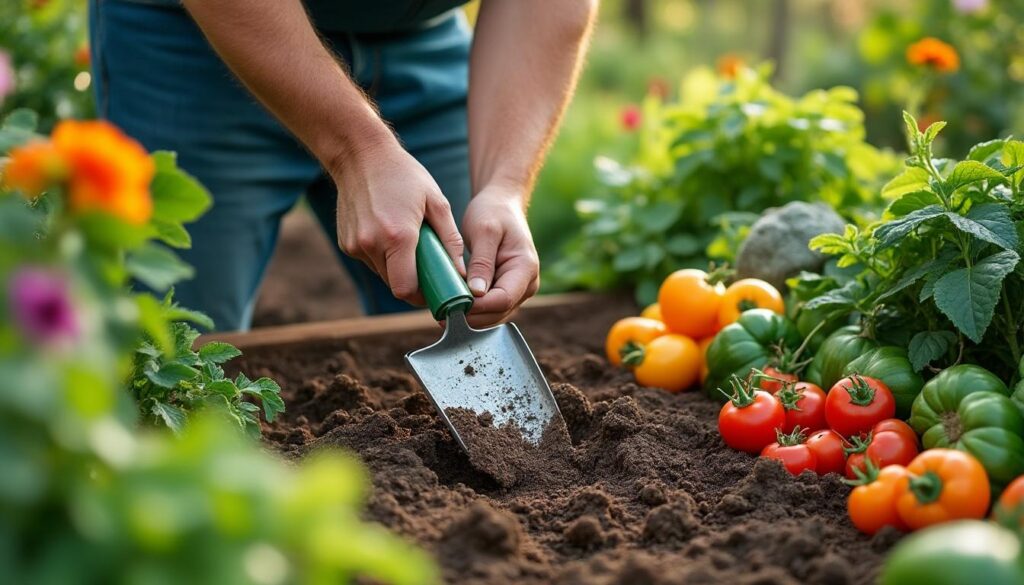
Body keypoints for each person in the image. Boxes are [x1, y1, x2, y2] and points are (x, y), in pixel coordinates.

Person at [88, 0, 597, 331]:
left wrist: (504, 184)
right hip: (200, 36)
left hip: (420, 33)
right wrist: (359, 151)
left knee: (471, 301)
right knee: (178, 345)